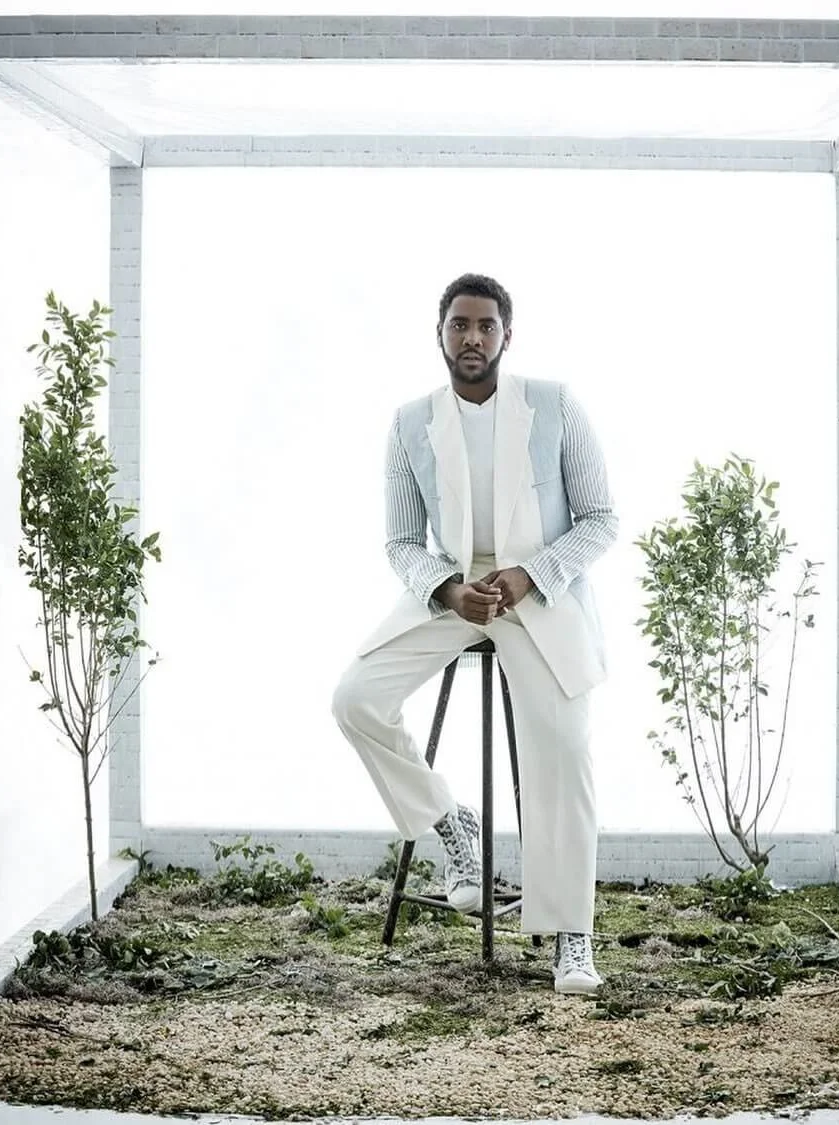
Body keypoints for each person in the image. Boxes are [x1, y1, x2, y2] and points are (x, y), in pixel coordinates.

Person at [331, 272, 619, 995]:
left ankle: (571, 932)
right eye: (460, 324)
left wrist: (531, 575)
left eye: (486, 326)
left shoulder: (555, 405)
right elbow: (399, 540)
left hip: (539, 593)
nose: (472, 337)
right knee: (356, 698)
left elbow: (601, 518)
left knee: (565, 747)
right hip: (452, 593)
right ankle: (451, 822)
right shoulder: (409, 423)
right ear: (440, 333)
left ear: (506, 337)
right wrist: (450, 589)